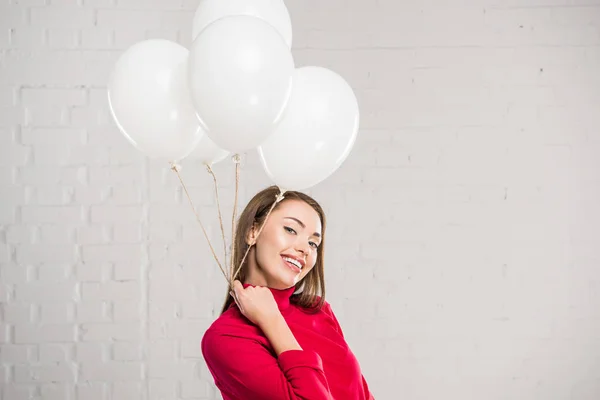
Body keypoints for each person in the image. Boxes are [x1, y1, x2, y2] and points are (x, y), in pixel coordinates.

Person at [201, 185, 375, 400]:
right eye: (291, 230)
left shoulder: (318, 310)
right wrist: (272, 320)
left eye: (313, 243)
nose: (305, 248)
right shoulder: (225, 337)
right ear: (252, 232)